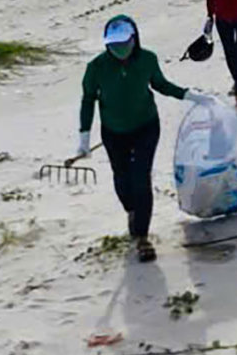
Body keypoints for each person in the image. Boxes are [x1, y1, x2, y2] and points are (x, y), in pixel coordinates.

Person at [74, 14, 214, 262]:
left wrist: (191, 95)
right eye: (113, 45)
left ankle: (142, 238)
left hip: (146, 127)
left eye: (124, 43)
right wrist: (84, 137)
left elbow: (161, 85)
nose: (119, 49)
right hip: (113, 132)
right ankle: (132, 210)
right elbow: (88, 100)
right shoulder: (96, 68)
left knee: (141, 178)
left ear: (134, 39)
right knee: (122, 180)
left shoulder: (147, 59)